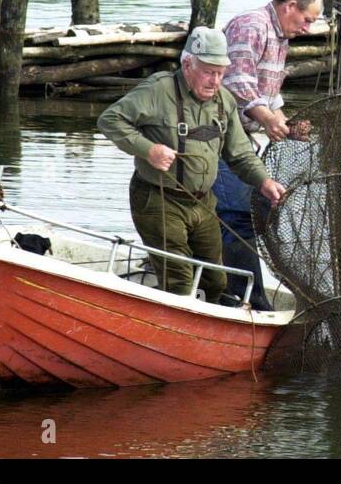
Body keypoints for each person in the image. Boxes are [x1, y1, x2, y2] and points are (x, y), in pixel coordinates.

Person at [97, 26, 287, 306]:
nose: (216, 80)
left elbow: (240, 154)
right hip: (159, 199)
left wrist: (264, 182)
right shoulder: (158, 90)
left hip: (203, 204)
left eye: (221, 73)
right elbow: (110, 120)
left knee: (215, 280)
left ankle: (205, 333)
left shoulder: (224, 101)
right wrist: (148, 150)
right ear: (187, 64)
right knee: (179, 280)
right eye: (209, 71)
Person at [213, 0, 323, 309]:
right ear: (290, 6)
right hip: (217, 135)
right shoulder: (252, 26)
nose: (307, 28)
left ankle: (239, 292)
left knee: (243, 214)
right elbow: (235, 83)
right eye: (307, 19)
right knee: (235, 215)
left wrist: (286, 125)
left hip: (242, 139)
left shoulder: (280, 37)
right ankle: (246, 299)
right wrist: (267, 118)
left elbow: (269, 96)